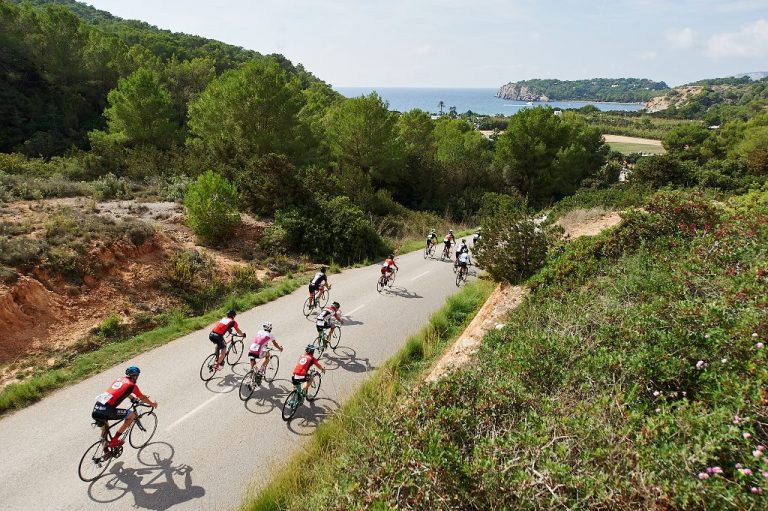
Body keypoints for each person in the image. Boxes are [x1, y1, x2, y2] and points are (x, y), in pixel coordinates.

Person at [92, 366, 158, 449]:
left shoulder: (119, 380)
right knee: (132, 415)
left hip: (97, 408)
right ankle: (115, 440)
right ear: (135, 376)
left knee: (105, 429)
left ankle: (105, 452)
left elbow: (119, 392)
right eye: (137, 376)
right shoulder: (132, 385)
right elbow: (143, 398)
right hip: (107, 410)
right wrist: (152, 404)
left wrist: (132, 398)